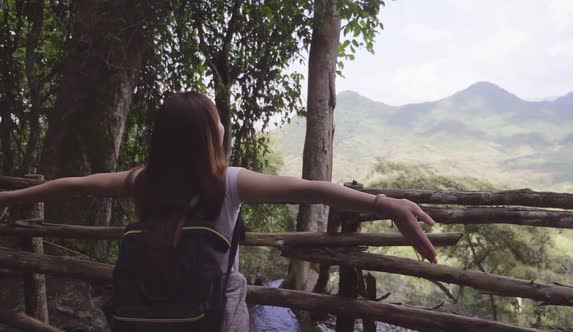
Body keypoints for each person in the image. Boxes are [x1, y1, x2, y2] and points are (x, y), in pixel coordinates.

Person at [0, 91, 437, 331]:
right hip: (210, 321)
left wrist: (10, 198)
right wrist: (386, 203)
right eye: (216, 120)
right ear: (209, 135)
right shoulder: (229, 183)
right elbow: (312, 189)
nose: (223, 124)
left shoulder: (142, 180)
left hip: (143, 318)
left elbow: (73, 185)